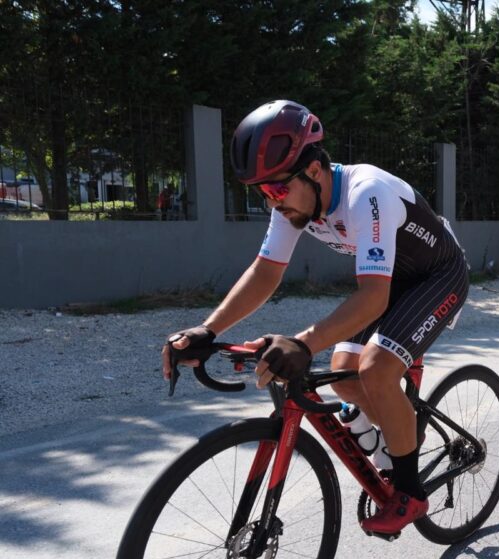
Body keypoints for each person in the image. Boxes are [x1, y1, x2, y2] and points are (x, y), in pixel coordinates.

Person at [161, 100, 469, 536]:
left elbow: (373, 296)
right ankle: (395, 438)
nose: (272, 202)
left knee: (377, 369)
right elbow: (265, 272)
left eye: (276, 190)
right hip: (394, 279)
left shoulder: (367, 194)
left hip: (439, 276)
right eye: (262, 193)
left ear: (314, 170)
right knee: (344, 375)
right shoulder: (295, 203)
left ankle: (410, 491)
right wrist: (208, 329)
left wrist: (303, 343)